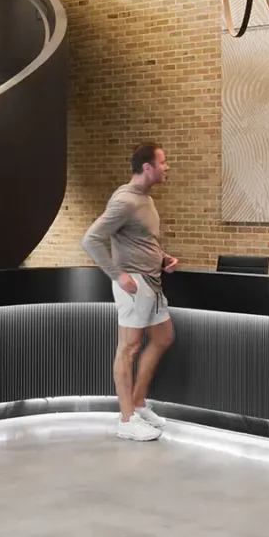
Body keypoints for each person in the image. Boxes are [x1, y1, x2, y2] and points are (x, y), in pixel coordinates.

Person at [83, 143, 180, 441]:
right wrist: (119, 275)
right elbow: (91, 240)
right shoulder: (125, 200)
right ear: (147, 167)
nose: (167, 167)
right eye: (163, 162)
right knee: (129, 348)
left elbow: (141, 239)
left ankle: (138, 402)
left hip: (152, 281)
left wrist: (162, 257)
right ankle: (126, 420)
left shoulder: (145, 199)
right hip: (134, 284)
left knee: (163, 337)